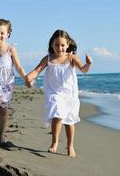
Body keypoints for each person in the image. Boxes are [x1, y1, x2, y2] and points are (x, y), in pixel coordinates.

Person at [26, 29, 92, 157]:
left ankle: (70, 146)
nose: (60, 48)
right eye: (56, 45)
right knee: (57, 113)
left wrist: (88, 64)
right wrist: (30, 76)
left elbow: (83, 70)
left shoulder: (71, 58)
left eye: (62, 45)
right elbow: (36, 70)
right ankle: (54, 142)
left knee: (69, 120)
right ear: (52, 45)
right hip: (54, 92)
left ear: (68, 45)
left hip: (69, 94)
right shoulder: (48, 59)